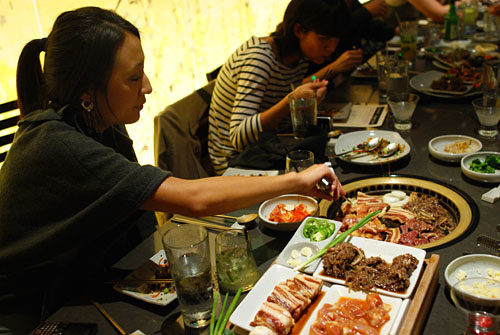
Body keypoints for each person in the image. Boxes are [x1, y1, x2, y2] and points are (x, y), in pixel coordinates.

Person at [0, 7, 344, 334]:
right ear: (88, 91)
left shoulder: (100, 122)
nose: (147, 86)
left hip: (88, 280)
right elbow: (192, 197)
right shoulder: (57, 144)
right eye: (134, 77)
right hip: (34, 311)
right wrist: (297, 180)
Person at [208, 0, 364, 175]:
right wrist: (291, 100)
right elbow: (238, 137)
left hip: (270, 150)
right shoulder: (260, 58)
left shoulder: (300, 58)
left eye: (336, 39)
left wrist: (305, 99)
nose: (331, 47)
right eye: (324, 39)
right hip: (238, 165)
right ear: (299, 30)